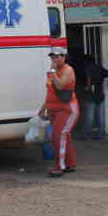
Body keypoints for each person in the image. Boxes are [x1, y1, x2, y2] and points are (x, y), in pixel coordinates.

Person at [38, 47, 78, 177]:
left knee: (58, 135)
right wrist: (43, 107)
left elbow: (60, 85)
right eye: (52, 56)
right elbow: (51, 91)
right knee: (64, 135)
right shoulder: (52, 72)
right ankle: (70, 164)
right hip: (54, 109)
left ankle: (60, 166)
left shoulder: (68, 70)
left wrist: (52, 71)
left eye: (57, 56)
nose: (54, 59)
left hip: (67, 109)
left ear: (64, 57)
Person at [77, 54, 108, 141]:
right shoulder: (99, 67)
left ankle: (85, 135)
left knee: (89, 117)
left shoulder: (87, 69)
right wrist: (100, 78)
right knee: (100, 117)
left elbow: (85, 82)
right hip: (100, 95)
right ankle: (100, 135)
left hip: (90, 96)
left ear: (86, 62)